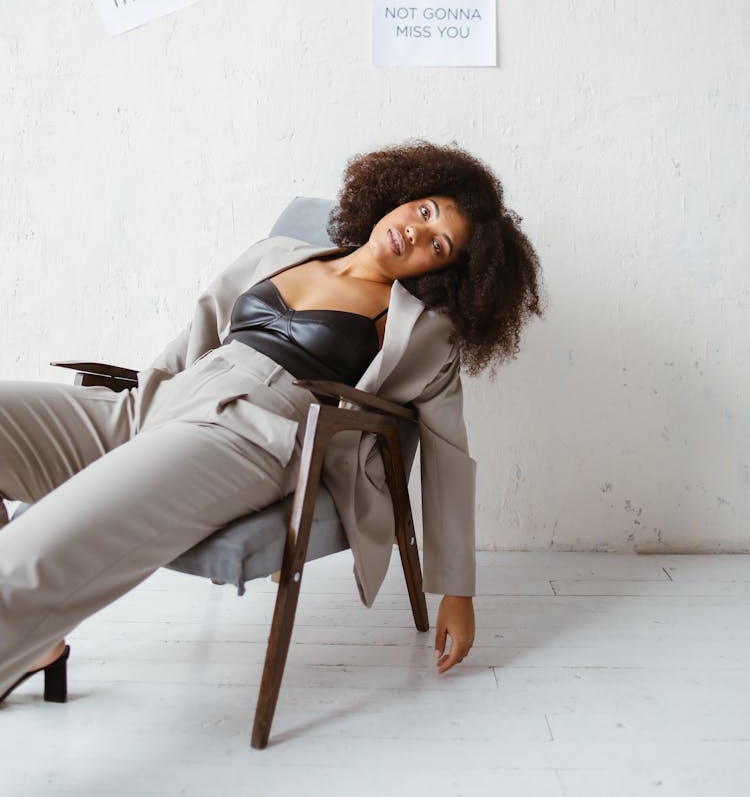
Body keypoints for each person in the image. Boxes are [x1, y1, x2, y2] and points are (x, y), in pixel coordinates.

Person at [0, 140, 542, 704]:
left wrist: (457, 591)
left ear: (443, 273)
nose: (417, 233)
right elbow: (197, 335)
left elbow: (446, 447)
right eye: (425, 211)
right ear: (404, 194)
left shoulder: (422, 330)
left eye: (439, 245)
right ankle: (35, 644)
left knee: (33, 557)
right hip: (164, 404)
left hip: (246, 435)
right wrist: (147, 401)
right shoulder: (280, 252)